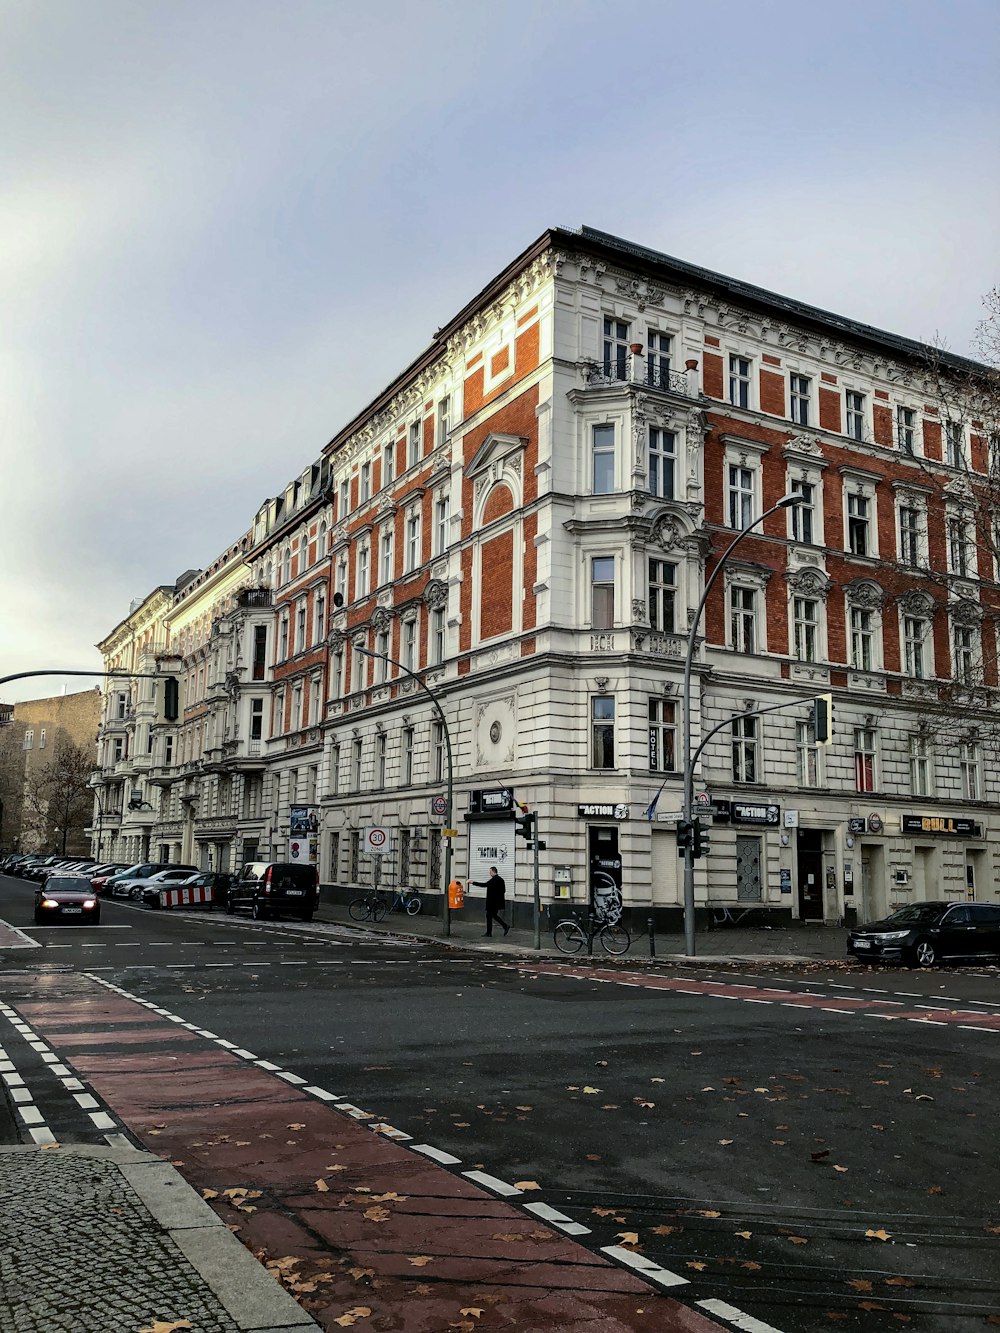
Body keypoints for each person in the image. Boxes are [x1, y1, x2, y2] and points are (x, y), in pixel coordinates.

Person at [471, 866, 509, 937]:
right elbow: (504, 890)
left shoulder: (494, 880)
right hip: (497, 902)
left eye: (490, 872)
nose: (489, 873)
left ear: (493, 872)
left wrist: (473, 882)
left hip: (493, 902)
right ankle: (504, 926)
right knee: (493, 915)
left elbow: (484, 885)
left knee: (489, 915)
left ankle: (489, 932)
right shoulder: (501, 880)